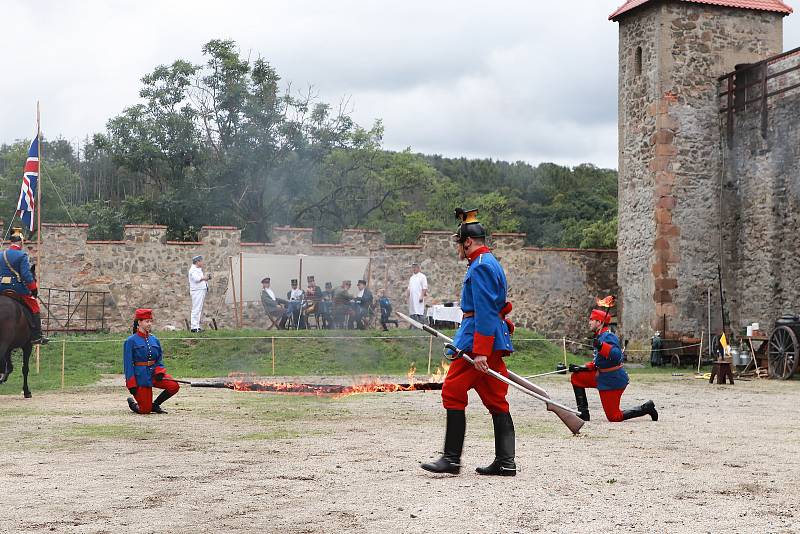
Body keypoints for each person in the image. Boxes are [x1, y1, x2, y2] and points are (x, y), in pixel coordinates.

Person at [421, 208, 516, 477]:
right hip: (486, 338)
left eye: (458, 244)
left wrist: (482, 352)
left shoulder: (481, 266)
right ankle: (506, 462)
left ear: (468, 242)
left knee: (452, 390)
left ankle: (451, 459)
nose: (457, 250)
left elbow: (486, 310)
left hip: (479, 341)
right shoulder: (486, 263)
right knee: (496, 398)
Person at [569, 308, 659, 422]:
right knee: (577, 378)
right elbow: (599, 361)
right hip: (601, 376)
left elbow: (617, 356)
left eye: (592, 320)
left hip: (612, 380)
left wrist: (602, 346)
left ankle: (646, 408)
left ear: (599, 322)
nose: (589, 322)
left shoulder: (608, 337)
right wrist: (583, 367)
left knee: (614, 417)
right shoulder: (599, 336)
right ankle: (583, 414)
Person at [124, 308, 180, 414]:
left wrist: (159, 372)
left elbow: (159, 360)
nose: (149, 324)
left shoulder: (154, 340)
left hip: (154, 374)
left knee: (174, 385)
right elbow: (128, 365)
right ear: (139, 322)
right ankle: (133, 404)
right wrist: (131, 384)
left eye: (150, 321)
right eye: (146, 321)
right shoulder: (130, 341)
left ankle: (155, 405)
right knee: (145, 410)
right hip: (141, 377)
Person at [0, 227, 47, 344]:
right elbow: (26, 275)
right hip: (16, 287)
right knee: (35, 306)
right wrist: (33, 289)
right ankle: (37, 335)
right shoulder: (22, 256)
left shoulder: (1, 254)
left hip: (1, 287)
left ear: (11, 241)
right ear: (20, 241)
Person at [188, 255, 210, 332]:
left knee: (199, 309)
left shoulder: (198, 269)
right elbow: (196, 279)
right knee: (196, 309)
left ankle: (197, 326)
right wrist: (205, 278)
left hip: (200, 290)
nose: (202, 262)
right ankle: (194, 327)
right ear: (197, 262)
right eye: (201, 261)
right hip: (196, 291)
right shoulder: (193, 270)